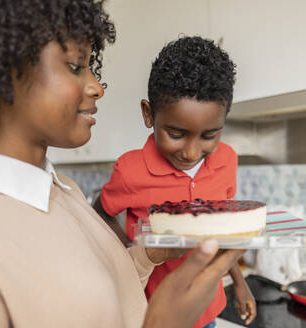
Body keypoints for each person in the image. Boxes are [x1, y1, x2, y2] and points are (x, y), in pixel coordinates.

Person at [0, 1, 245, 327]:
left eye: (90, 67)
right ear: (0, 69)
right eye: (74, 66)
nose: (96, 87)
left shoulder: (65, 191)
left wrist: (151, 255)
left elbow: (101, 297)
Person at [93, 36, 257, 327]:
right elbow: (101, 212)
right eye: (177, 134)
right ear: (148, 114)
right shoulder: (131, 170)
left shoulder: (227, 159)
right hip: (155, 314)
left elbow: (224, 232)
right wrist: (132, 255)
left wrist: (240, 283)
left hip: (208, 309)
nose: (192, 153)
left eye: (209, 135)